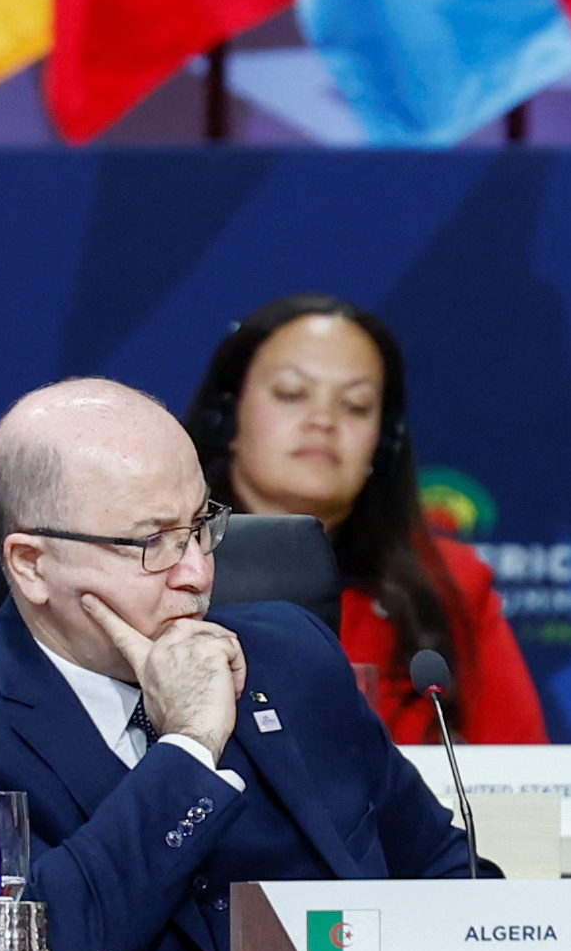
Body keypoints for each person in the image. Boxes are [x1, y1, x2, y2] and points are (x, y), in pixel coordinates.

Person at [0, 381, 479, 951]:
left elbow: (446, 875)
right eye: (150, 542)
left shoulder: (292, 656)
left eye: (199, 527)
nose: (195, 571)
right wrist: (189, 744)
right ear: (32, 565)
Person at [184, 295, 543, 743]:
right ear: (227, 418)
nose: (323, 420)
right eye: (291, 394)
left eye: (354, 405)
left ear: (383, 443)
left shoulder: (450, 584)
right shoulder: (160, 569)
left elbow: (524, 780)